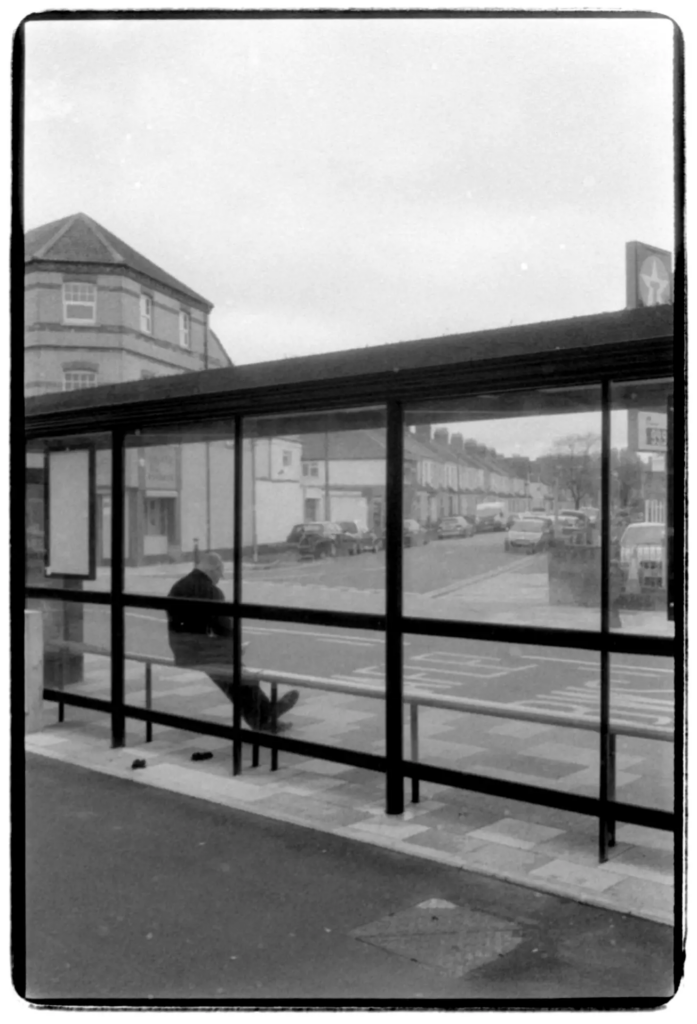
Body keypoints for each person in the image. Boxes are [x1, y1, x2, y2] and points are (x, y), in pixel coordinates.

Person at [166, 552, 299, 732]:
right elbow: (223, 628)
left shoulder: (177, 587)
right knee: (244, 678)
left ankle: (263, 719)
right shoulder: (211, 591)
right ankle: (266, 715)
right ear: (213, 570)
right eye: (219, 575)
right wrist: (236, 649)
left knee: (234, 681)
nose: (218, 580)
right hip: (200, 651)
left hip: (182, 651)